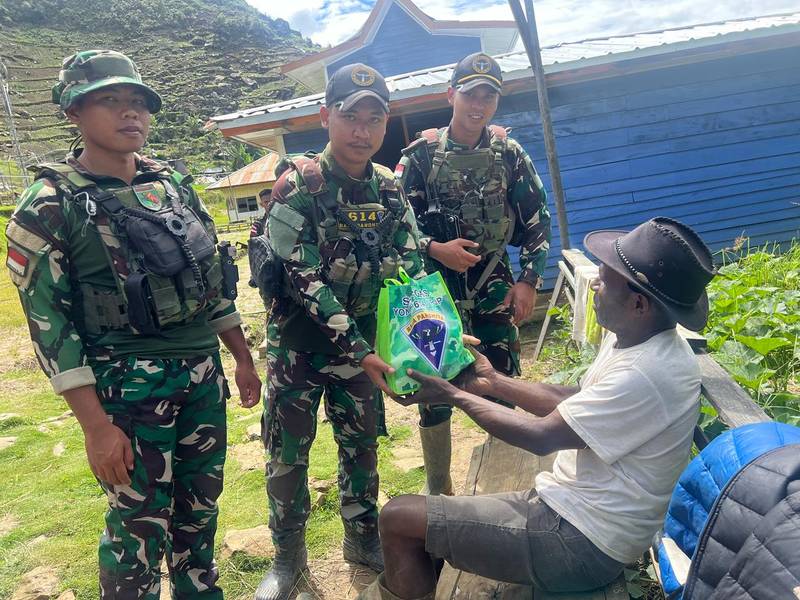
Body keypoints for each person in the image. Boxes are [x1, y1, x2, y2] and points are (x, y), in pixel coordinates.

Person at [4, 50, 261, 598]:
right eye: (110, 101)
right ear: (73, 111)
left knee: (200, 511)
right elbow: (51, 329)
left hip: (201, 375)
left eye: (139, 103)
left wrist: (240, 356)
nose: (130, 114)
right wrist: (96, 427)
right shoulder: (48, 205)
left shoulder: (171, 188)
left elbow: (207, 281)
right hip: (128, 391)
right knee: (137, 525)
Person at [361, 217, 716, 599]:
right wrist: (492, 382)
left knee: (396, 519)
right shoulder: (641, 340)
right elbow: (574, 401)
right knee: (424, 523)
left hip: (580, 540)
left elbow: (541, 437)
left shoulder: (648, 372)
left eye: (604, 280)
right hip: (575, 513)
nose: (594, 285)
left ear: (638, 303)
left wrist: (453, 395)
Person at [250, 63, 425, 600]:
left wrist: (434, 334)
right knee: (288, 455)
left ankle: (361, 537)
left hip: (364, 352)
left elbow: (414, 266)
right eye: (351, 117)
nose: (362, 131)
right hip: (299, 348)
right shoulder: (298, 186)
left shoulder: (390, 188)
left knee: (362, 447)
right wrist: (359, 347)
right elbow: (302, 278)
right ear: (327, 117)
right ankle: (288, 559)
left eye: (375, 119)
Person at [395, 52, 551, 494]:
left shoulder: (509, 154)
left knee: (500, 382)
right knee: (435, 389)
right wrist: (433, 248)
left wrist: (528, 280)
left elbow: (538, 220)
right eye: (470, 95)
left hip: (494, 287)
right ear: (451, 96)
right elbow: (397, 225)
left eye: (488, 96)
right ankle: (439, 489)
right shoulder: (421, 156)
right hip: (434, 294)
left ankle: (508, 484)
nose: (478, 105)